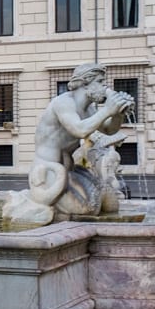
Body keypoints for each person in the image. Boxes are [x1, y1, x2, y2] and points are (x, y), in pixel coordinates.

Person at [27, 63, 133, 212]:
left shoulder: (88, 108)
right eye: (100, 81)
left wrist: (118, 114)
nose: (105, 86)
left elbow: (109, 130)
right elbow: (79, 130)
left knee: (110, 205)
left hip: (69, 171)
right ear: (85, 82)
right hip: (48, 170)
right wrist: (108, 110)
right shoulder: (63, 102)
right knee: (86, 209)